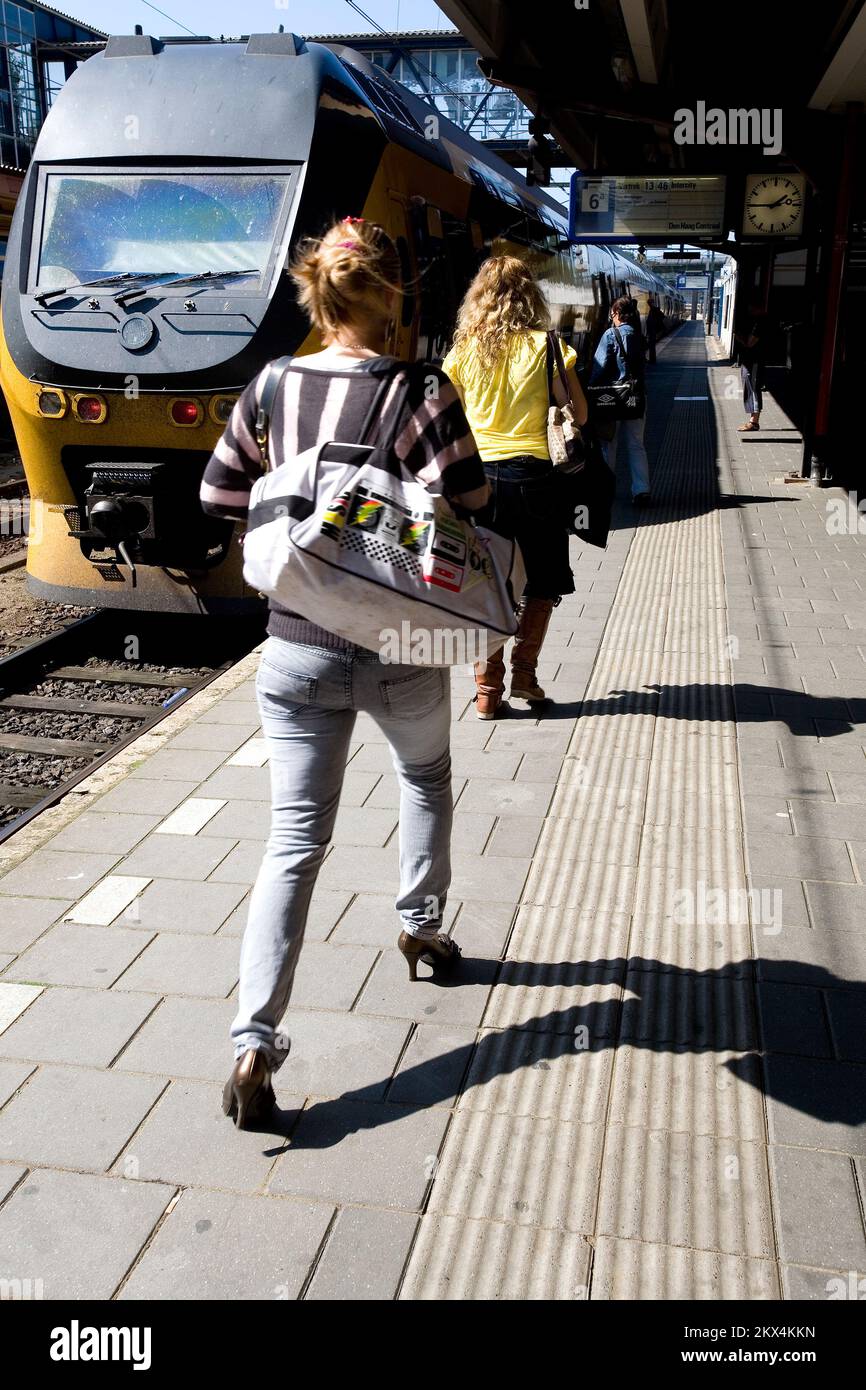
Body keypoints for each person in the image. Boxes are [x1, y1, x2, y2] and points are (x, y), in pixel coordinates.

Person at [200, 218, 490, 1129]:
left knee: (293, 842)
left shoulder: (271, 386)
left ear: (316, 294)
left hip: (295, 644)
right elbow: (471, 495)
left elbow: (218, 496)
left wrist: (306, 503)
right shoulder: (421, 388)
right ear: (391, 294)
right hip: (405, 643)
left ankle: (253, 1042)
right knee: (428, 778)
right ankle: (422, 923)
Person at [442, 256, 587, 720]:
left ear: (478, 298)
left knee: (487, 583)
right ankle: (525, 674)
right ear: (531, 297)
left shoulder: (462, 353)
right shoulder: (549, 349)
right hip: (536, 479)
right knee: (541, 581)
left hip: (479, 481)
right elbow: (578, 416)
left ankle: (487, 692)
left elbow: (448, 422)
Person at [589, 296, 651, 507]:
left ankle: (607, 490)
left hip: (611, 401)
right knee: (636, 446)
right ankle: (641, 490)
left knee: (609, 446)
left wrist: (590, 390)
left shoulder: (609, 335)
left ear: (615, 313)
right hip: (635, 397)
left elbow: (599, 367)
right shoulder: (637, 335)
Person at [734, 300, 767, 431]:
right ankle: (753, 420)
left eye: (752, 306)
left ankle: (754, 422)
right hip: (751, 360)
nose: (750, 309)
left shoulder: (761, 323)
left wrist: (739, 337)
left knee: (753, 388)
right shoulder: (758, 321)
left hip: (754, 360)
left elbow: (750, 343)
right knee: (751, 387)